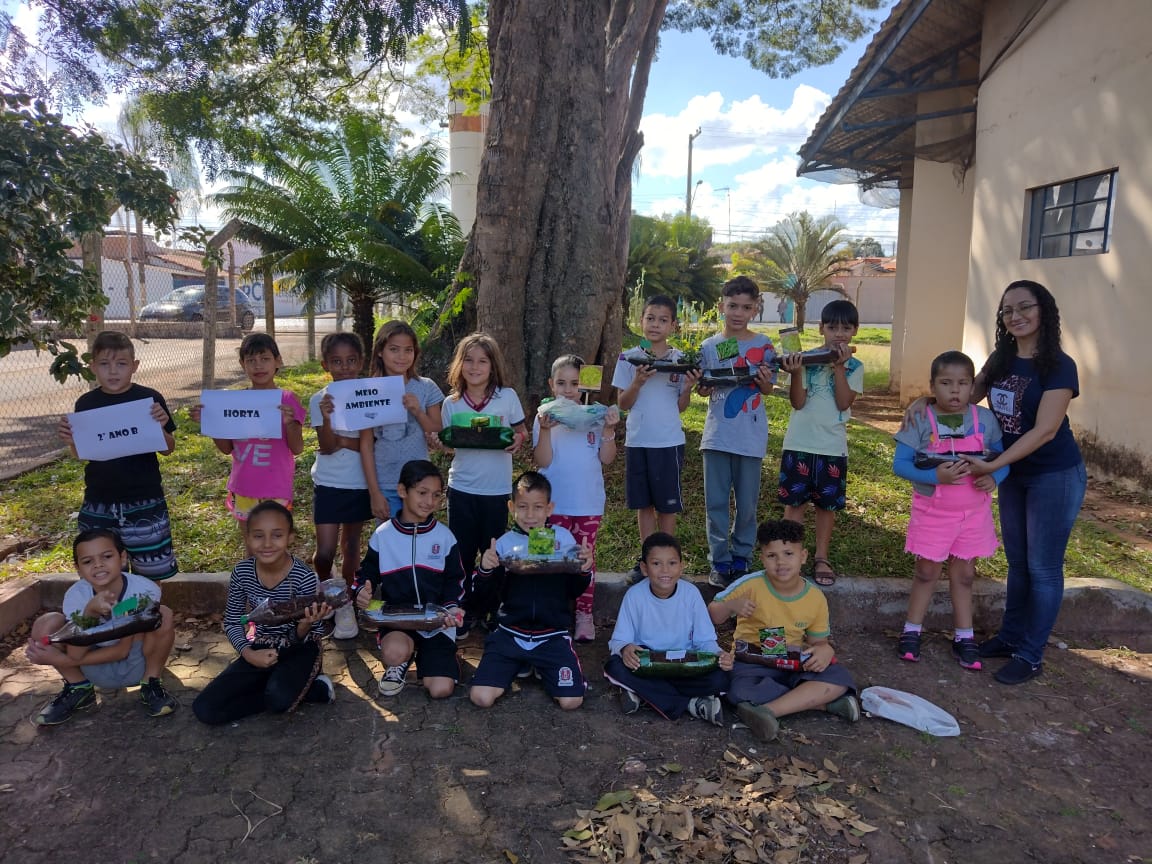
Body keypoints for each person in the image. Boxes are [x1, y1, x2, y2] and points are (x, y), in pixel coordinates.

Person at [960, 280, 1086, 685]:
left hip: (1054, 474)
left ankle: (1031, 655)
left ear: (1043, 310)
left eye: (1024, 307)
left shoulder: (1059, 366)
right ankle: (1010, 637)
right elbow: (966, 396)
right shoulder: (1001, 358)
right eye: (1007, 310)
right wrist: (925, 407)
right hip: (1014, 473)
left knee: (1043, 568)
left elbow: (1045, 430)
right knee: (1017, 563)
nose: (1016, 316)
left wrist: (993, 465)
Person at [892, 351, 1008, 669]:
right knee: (926, 572)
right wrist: (936, 477)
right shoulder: (920, 418)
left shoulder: (985, 420)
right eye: (945, 383)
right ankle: (911, 630)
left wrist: (995, 478)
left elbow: (1002, 459)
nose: (954, 391)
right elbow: (900, 464)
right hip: (933, 513)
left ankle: (964, 636)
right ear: (932, 386)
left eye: (962, 383)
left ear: (972, 386)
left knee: (965, 575)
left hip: (974, 516)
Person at [708, 519, 859, 742]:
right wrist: (731, 605)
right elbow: (714, 614)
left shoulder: (815, 597)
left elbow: (818, 642)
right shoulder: (750, 585)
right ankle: (824, 704)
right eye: (772, 555)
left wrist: (825, 650)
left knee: (839, 678)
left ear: (803, 556)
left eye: (789, 553)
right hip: (753, 663)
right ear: (762, 558)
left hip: (793, 663)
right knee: (738, 691)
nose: (781, 562)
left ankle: (767, 711)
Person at [192, 502, 335, 724]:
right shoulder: (242, 573)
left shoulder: (304, 577)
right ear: (248, 538)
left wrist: (305, 625)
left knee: (279, 701)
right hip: (262, 645)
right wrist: (249, 654)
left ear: (290, 537)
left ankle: (317, 688)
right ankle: (277, 686)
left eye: (277, 535)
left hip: (300, 648)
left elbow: (313, 632)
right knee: (205, 709)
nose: (267, 543)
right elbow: (232, 621)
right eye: (258, 536)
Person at [57, 330, 179, 580]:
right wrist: (72, 441)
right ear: (93, 367)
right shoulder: (86, 404)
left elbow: (168, 449)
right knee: (104, 574)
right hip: (99, 500)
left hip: (145, 501)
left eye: (121, 364)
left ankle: (147, 606)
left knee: (151, 573)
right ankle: (114, 607)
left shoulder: (149, 399)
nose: (113, 371)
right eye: (104, 364)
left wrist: (159, 428)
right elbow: (83, 453)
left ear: (134, 366)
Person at [26, 528, 178, 725]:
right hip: (93, 665)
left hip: (136, 661)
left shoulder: (143, 591)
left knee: (163, 613)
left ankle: (151, 682)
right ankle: (79, 687)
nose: (98, 565)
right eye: (88, 561)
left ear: (122, 558)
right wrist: (89, 613)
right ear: (78, 569)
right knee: (46, 623)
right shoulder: (75, 596)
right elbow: (76, 654)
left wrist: (60, 659)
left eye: (106, 556)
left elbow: (122, 651)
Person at [469, 471, 593, 711]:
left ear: (549, 509)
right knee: (481, 697)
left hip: (552, 634)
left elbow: (574, 591)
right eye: (523, 507)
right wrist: (485, 569)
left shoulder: (563, 539)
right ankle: (521, 663)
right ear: (511, 507)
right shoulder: (503, 544)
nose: (530, 515)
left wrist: (583, 569)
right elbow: (484, 596)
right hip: (510, 633)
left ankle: (540, 665)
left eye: (538, 507)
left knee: (571, 701)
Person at [353, 460, 466, 699]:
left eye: (436, 495)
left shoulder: (444, 537)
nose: (429, 501)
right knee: (394, 653)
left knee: (440, 690)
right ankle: (402, 661)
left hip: (437, 625)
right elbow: (366, 573)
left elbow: (455, 580)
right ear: (402, 491)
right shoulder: (383, 535)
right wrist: (361, 590)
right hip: (398, 622)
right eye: (422, 493)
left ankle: (441, 657)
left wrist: (451, 607)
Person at [440, 333, 528, 632]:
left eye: (482, 361)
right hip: (461, 488)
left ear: (493, 366)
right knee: (462, 553)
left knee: (493, 552)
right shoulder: (452, 403)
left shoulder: (507, 396)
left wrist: (518, 440)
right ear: (459, 364)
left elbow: (521, 431)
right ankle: (463, 609)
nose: (475, 367)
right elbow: (450, 444)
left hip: (497, 490)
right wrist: (440, 442)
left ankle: (490, 608)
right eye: (468, 360)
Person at [612, 295, 700, 581]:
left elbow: (681, 407)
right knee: (644, 504)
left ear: (673, 325)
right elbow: (623, 403)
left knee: (667, 505)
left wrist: (687, 388)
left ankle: (668, 561)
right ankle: (646, 560)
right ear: (641, 321)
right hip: (638, 441)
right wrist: (637, 382)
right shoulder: (628, 358)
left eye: (663, 320)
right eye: (650, 318)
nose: (655, 325)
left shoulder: (680, 360)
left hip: (668, 442)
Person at [776, 299, 864, 586]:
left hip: (832, 448)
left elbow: (843, 402)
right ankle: (789, 556)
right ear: (821, 328)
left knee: (826, 507)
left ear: (855, 331)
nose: (839, 333)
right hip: (799, 444)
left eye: (846, 328)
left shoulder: (855, 366)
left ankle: (821, 557)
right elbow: (798, 402)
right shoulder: (806, 359)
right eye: (832, 327)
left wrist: (839, 367)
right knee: (794, 505)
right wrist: (796, 372)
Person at [696, 276, 777, 587]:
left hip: (750, 438)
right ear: (721, 306)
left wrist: (765, 381)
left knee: (747, 505)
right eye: (732, 306)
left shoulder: (764, 345)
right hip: (716, 437)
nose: (738, 313)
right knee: (715, 504)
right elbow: (703, 388)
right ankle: (719, 561)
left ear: (755, 309)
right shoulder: (709, 346)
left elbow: (768, 389)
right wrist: (702, 386)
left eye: (745, 307)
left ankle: (741, 558)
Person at [604, 532, 733, 725]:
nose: (665, 570)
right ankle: (692, 703)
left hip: (686, 664)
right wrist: (625, 648)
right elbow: (619, 640)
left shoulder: (691, 594)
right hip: (648, 664)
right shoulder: (634, 596)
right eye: (656, 563)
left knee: (722, 677)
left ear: (681, 567)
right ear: (644, 568)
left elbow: (705, 640)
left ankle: (646, 694)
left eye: (672, 563)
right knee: (614, 666)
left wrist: (719, 654)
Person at [533, 354, 619, 641]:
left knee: (584, 560)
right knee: (546, 557)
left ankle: (584, 614)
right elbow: (542, 461)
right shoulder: (543, 417)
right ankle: (547, 612)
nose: (568, 390)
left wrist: (608, 430)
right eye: (561, 383)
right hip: (549, 506)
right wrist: (546, 431)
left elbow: (607, 459)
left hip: (588, 504)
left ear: (585, 385)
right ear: (551, 384)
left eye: (574, 383)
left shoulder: (595, 416)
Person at [193, 333, 305, 522]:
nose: (258, 366)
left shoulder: (287, 400)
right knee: (250, 538)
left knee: (275, 536)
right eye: (251, 360)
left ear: (278, 361)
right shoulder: (235, 402)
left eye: (265, 359)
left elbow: (297, 448)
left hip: (276, 487)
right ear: (242, 364)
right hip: (243, 487)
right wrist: (211, 423)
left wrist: (290, 424)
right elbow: (226, 448)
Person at [309, 332, 372, 639]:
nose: (344, 367)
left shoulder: (369, 396)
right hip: (328, 483)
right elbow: (327, 446)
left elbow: (371, 445)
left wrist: (344, 441)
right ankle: (329, 592)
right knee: (323, 553)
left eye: (350, 360)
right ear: (325, 365)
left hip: (359, 483)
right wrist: (327, 420)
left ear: (361, 362)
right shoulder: (318, 400)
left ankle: (345, 601)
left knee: (351, 546)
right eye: (336, 361)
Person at [359, 320, 444, 522]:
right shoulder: (368, 391)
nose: (402, 356)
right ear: (380, 351)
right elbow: (366, 444)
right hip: (386, 483)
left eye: (408, 350)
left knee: (418, 537)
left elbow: (437, 429)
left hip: (421, 485)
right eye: (394, 349)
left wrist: (418, 412)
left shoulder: (426, 386)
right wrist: (374, 493)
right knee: (390, 538)